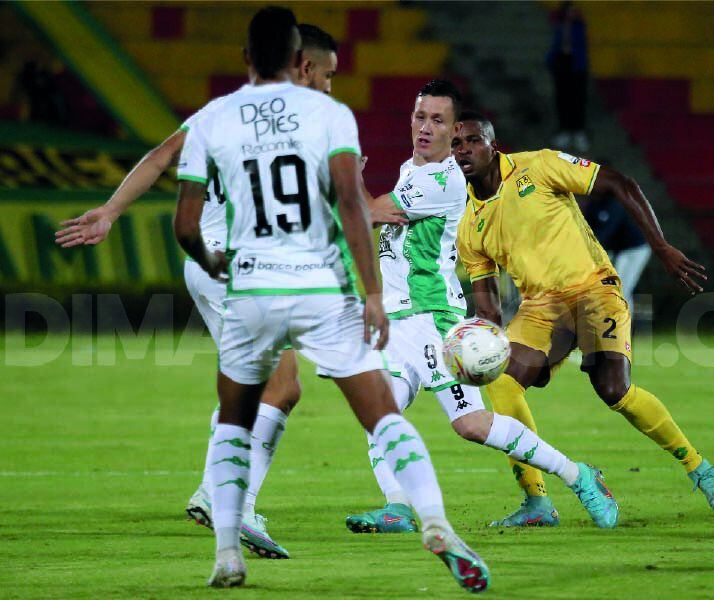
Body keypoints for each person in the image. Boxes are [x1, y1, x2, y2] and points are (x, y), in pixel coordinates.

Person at [172, 6, 488, 590]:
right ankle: (439, 524)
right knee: (384, 415)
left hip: (250, 283)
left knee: (239, 413)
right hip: (316, 286)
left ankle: (226, 555)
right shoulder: (327, 117)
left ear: (246, 58)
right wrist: (371, 292)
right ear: (302, 61)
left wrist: (212, 263)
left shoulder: (215, 119)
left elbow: (186, 225)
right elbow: (352, 208)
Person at [55, 23, 351, 560]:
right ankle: (234, 503)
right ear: (303, 67)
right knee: (283, 387)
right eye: (327, 76)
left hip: (212, 263)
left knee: (254, 384)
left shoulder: (226, 110)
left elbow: (162, 154)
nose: (330, 88)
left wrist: (112, 209)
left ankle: (211, 492)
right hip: (234, 263)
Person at [344, 81, 618, 534]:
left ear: (453, 132)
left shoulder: (440, 179)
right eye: (419, 117)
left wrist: (348, 185)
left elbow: (362, 215)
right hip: (396, 322)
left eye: (438, 120)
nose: (425, 128)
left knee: (471, 424)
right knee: (377, 414)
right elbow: (376, 219)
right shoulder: (410, 170)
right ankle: (397, 508)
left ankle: (579, 474)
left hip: (430, 321)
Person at [451, 111, 714, 527]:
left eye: (473, 140)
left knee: (613, 389)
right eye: (456, 144)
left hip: (592, 289)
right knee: (504, 381)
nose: (464, 150)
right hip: (540, 307)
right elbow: (489, 308)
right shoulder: (470, 225)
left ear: (493, 145)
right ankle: (537, 501)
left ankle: (697, 466)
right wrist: (475, 348)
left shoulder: (540, 165)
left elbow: (621, 183)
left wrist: (661, 247)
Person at [582, 176, 651, 313]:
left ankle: (624, 330)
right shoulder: (593, 204)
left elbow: (604, 233)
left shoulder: (615, 202)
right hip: (615, 249)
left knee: (621, 289)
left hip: (634, 249)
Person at [546, 1, 589, 152]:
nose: (571, 14)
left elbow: (580, 46)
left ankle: (578, 132)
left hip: (576, 66)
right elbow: (555, 46)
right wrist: (551, 62)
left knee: (577, 100)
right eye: (569, 11)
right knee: (562, 99)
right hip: (562, 65)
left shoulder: (579, 27)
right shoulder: (559, 27)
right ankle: (565, 130)